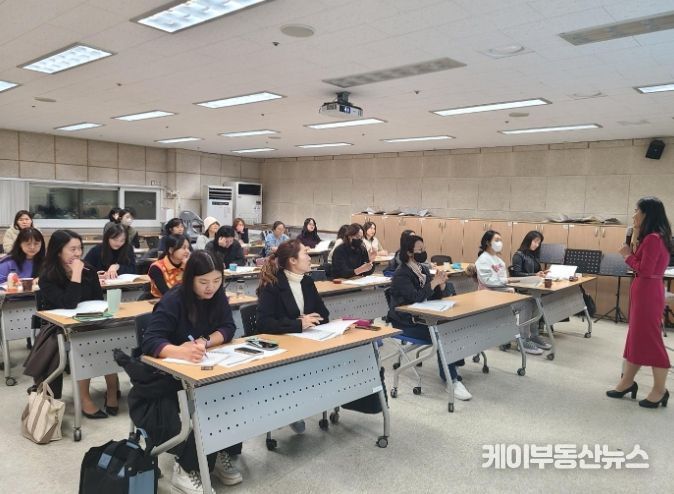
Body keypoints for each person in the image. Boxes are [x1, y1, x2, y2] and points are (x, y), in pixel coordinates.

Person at [141, 250, 242, 490]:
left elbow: (228, 327)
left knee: (237, 390)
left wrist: (205, 341)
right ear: (190, 278)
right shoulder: (174, 300)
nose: (211, 287)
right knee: (212, 400)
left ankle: (218, 450)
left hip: (204, 368)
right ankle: (186, 468)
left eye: (217, 280)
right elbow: (150, 341)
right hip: (169, 373)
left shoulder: (217, 296)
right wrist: (180, 351)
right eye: (203, 282)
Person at [23, 230, 120, 418]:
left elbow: (98, 301)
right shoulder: (47, 275)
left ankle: (112, 390)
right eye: (72, 249)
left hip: (88, 321)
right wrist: (76, 274)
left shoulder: (89, 270)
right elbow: (68, 303)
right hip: (59, 328)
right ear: (59, 251)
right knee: (85, 343)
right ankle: (85, 399)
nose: (77, 253)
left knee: (110, 338)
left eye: (79, 249)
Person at [256, 239, 330, 433]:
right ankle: (290, 409)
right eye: (305, 253)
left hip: (307, 343)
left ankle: (302, 405)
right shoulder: (272, 284)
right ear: (293, 260)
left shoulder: (307, 281)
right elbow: (264, 323)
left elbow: (324, 314)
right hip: (282, 348)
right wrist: (298, 323)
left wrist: (309, 320)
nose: (309, 257)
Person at [387, 234, 471, 400]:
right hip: (406, 323)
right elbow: (415, 297)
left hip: (423, 317)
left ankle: (452, 365)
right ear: (409, 252)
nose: (423, 252)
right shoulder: (401, 274)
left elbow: (433, 296)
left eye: (424, 249)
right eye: (420, 250)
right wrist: (433, 283)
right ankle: (451, 380)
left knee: (454, 325)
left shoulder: (422, 269)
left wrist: (441, 285)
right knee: (444, 334)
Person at [608, 197, 672, 408]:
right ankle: (626, 382)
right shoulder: (653, 237)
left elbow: (644, 269)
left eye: (637, 210)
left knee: (651, 340)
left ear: (647, 214)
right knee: (635, 339)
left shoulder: (654, 238)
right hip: (645, 291)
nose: (634, 215)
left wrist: (627, 255)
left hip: (648, 293)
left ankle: (660, 390)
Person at [475, 230, 542, 356]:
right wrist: (508, 281)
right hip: (489, 297)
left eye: (500, 240)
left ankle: (531, 336)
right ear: (487, 242)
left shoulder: (499, 261)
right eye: (496, 240)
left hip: (503, 295)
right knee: (526, 304)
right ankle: (523, 339)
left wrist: (511, 285)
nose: (500, 243)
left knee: (534, 301)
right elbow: (488, 281)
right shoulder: (483, 259)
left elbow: (503, 281)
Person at [509, 231, 551, 351]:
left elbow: (536, 272)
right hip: (522, 291)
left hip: (532, 289)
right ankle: (523, 339)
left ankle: (533, 335)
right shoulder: (518, 255)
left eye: (539, 243)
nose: (537, 245)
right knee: (530, 303)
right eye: (535, 241)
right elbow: (516, 274)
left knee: (537, 302)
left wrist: (541, 273)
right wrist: (534, 275)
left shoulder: (533, 256)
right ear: (528, 240)